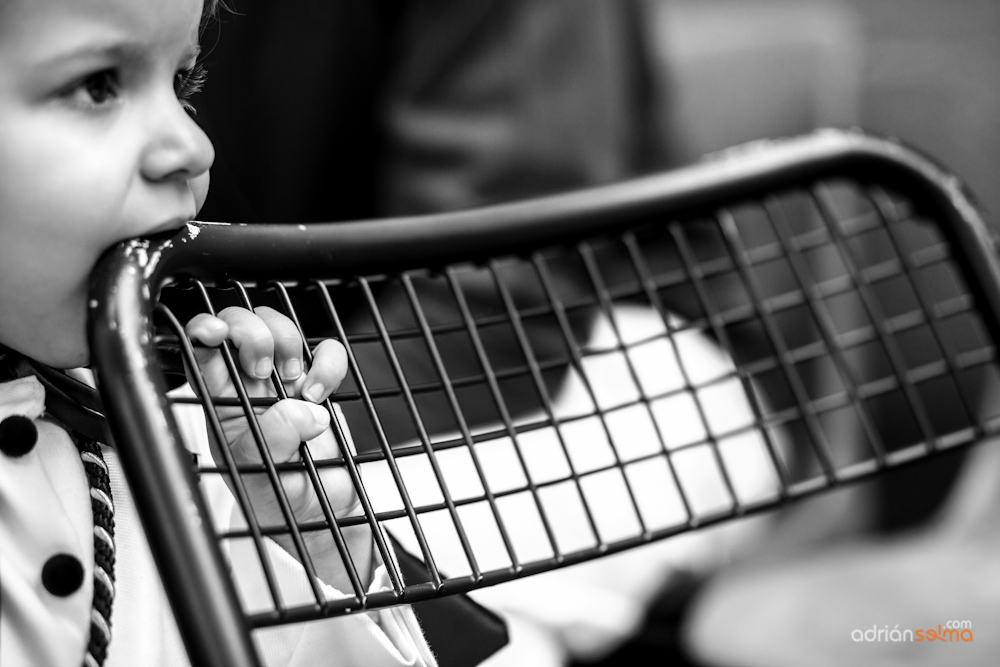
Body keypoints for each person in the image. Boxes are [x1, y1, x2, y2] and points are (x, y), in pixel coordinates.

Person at [0, 0, 435, 665]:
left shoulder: (195, 429)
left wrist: (314, 546)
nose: (193, 149)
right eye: (98, 85)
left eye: (182, 84)